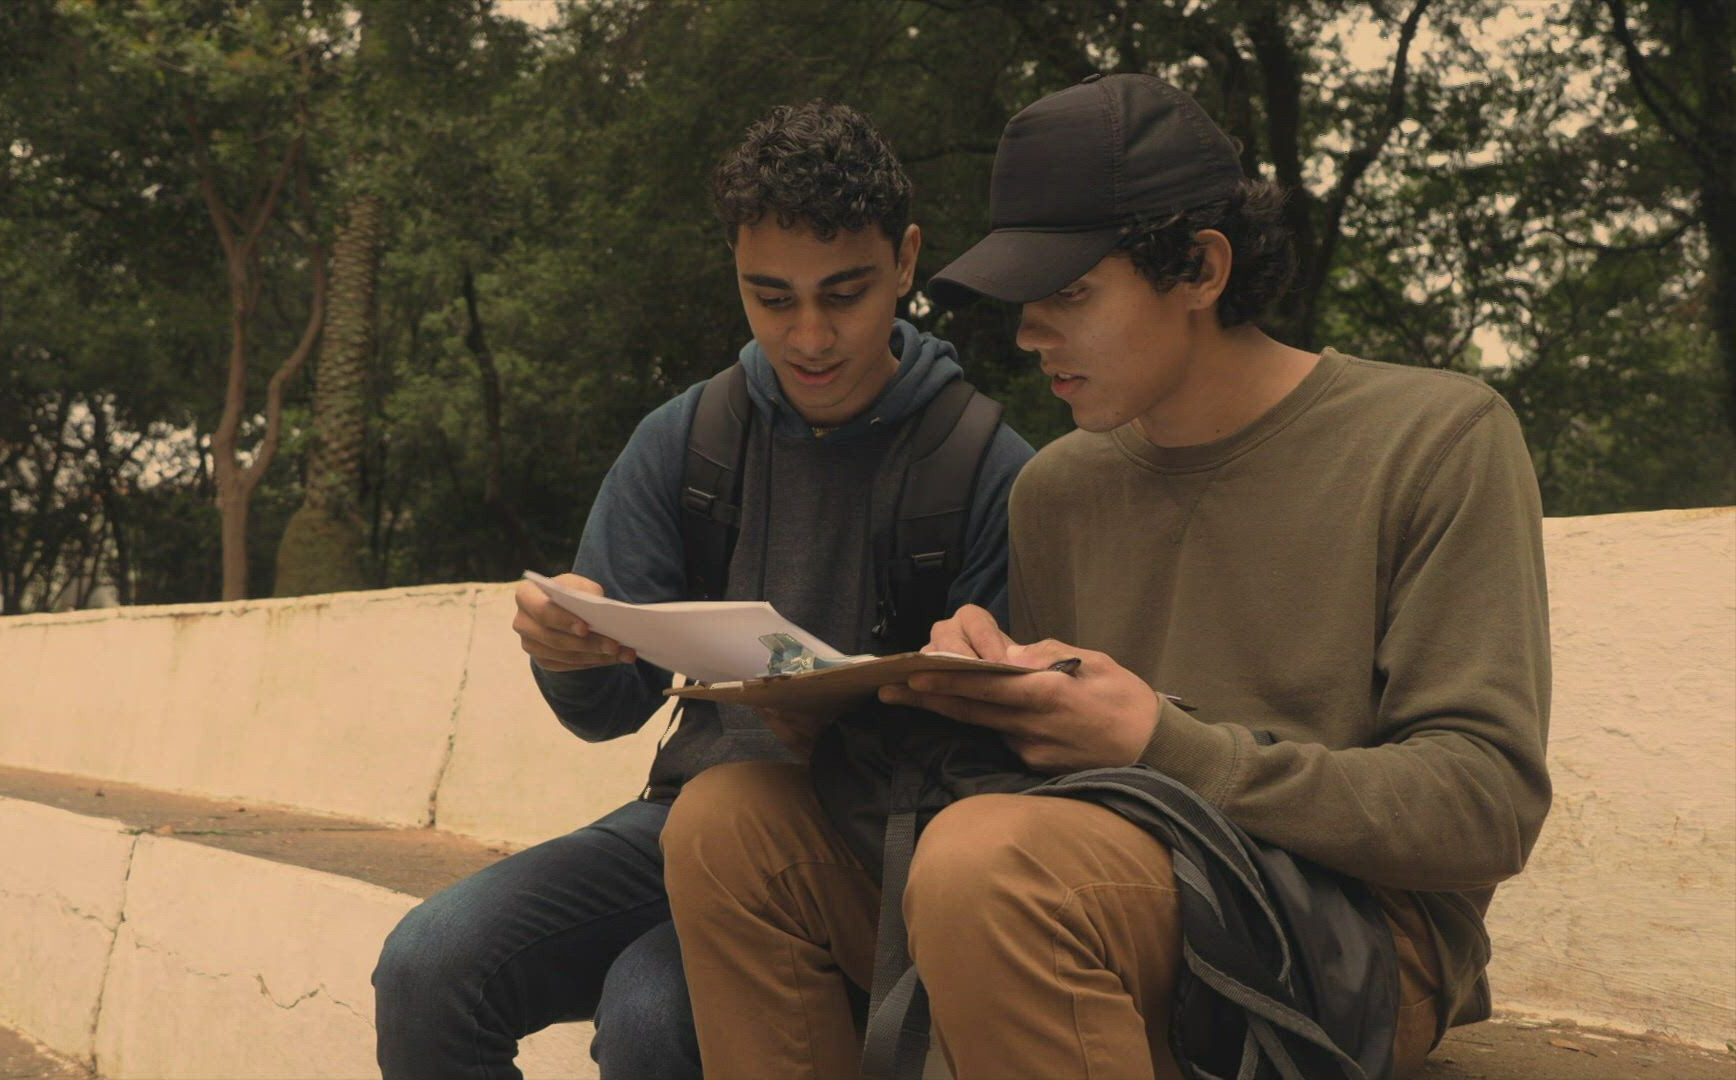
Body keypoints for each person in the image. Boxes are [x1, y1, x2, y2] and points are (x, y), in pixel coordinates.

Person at [661, 73, 1551, 1079]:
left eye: (1070, 293)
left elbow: (1486, 807)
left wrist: (1166, 744)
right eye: (1024, 300)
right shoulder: (1059, 488)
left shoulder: (1436, 438)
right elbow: (1055, 785)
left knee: (988, 864)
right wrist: (925, 710)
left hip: (1352, 937)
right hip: (1091, 886)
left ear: (1201, 268)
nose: (1029, 332)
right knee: (730, 824)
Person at [370, 100, 1035, 1080]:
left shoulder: (989, 470)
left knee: (651, 1012)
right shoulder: (689, 440)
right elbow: (604, 711)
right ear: (735, 270)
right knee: (427, 967)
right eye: (771, 298)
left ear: (905, 261)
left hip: (871, 852)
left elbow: (1004, 763)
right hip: (681, 821)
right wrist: (567, 652)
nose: (809, 335)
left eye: (844, 294)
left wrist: (840, 728)